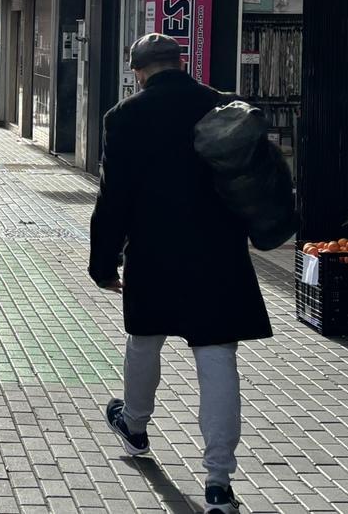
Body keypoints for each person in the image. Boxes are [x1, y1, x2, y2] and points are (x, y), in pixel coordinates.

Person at [89, 33, 270, 514]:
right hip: (219, 255)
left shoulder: (125, 117)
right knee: (216, 361)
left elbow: (114, 199)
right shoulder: (223, 106)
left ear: (139, 72)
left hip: (154, 254)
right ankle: (218, 485)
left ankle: (136, 425)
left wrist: (104, 263)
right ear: (180, 63)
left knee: (144, 340)